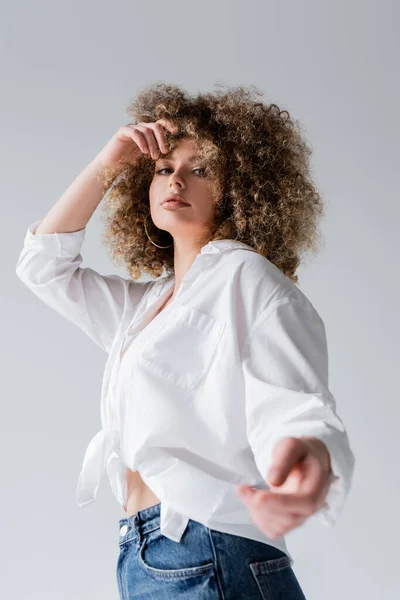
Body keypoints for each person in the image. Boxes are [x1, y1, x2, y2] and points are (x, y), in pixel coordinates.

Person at [16, 82, 355, 599]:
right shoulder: (146, 306)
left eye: (200, 169)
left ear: (237, 188)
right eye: (161, 168)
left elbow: (297, 405)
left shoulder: (247, 278)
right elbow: (43, 267)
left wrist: (304, 464)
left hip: (207, 549)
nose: (175, 179)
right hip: (151, 553)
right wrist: (113, 158)